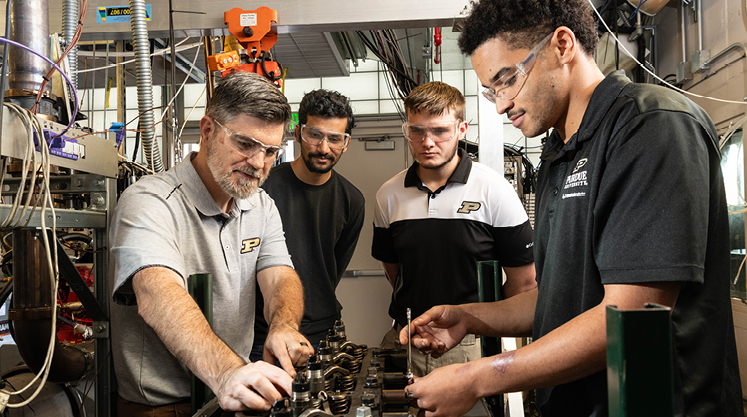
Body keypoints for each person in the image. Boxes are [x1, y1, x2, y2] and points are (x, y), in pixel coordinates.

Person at [400, 1, 743, 416]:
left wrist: (480, 375)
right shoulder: (558, 152)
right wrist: (469, 317)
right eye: (491, 90)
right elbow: (560, 297)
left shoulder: (651, 127)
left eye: (507, 80)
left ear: (562, 45)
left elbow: (626, 317)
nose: (500, 104)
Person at [109, 71, 315, 415]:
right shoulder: (150, 201)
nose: (258, 163)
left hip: (232, 394)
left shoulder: (259, 205)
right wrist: (227, 372)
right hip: (166, 406)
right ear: (207, 131)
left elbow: (280, 276)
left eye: (270, 151)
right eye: (245, 144)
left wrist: (283, 326)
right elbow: (157, 294)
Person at [372, 81, 537, 377]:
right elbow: (394, 271)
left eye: (440, 131)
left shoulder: (494, 190)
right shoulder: (388, 194)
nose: (427, 142)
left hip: (473, 346)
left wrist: (485, 327)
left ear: (462, 129)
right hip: (405, 340)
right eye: (417, 131)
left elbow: (523, 284)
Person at [251, 89, 365, 361]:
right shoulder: (263, 189)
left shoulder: (352, 200)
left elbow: (331, 271)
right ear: (298, 131)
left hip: (325, 333)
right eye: (315, 135)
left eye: (335, 139)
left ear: (346, 142)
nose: (324, 148)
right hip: (262, 334)